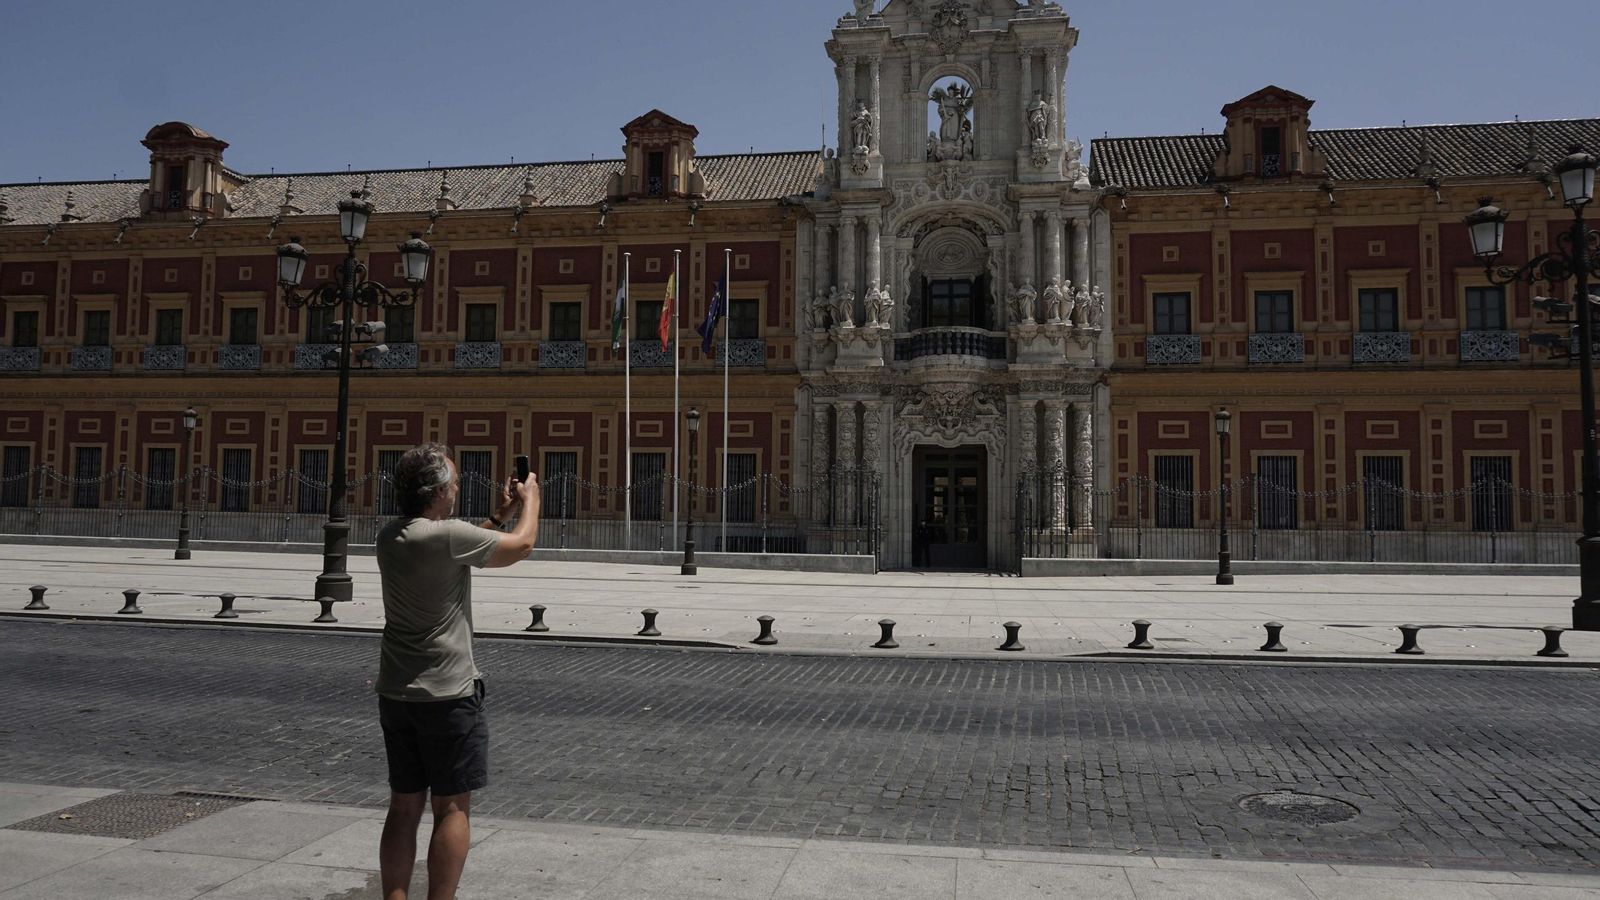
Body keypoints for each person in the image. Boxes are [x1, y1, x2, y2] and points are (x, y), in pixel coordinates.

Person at [374, 442, 539, 900]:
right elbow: (522, 546)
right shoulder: (448, 535)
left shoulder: (391, 536)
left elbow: (461, 550)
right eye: (455, 483)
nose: (458, 489)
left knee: (404, 807)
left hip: (396, 693)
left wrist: (496, 518)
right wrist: (531, 502)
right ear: (438, 492)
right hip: (447, 695)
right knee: (451, 808)